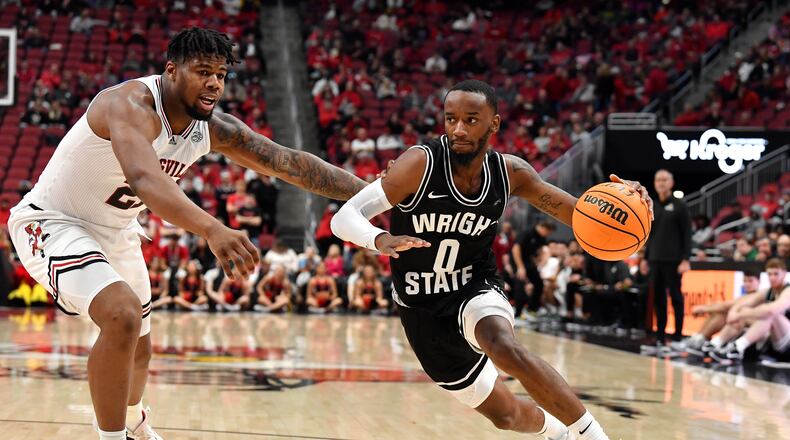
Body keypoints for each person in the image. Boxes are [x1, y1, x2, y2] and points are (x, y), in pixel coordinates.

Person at [6, 28, 366, 440]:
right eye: (203, 72)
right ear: (171, 71)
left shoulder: (212, 127)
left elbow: (288, 162)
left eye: (221, 74)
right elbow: (144, 179)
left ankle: (135, 422)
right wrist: (212, 228)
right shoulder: (129, 105)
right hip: (53, 222)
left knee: (139, 348)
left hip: (117, 230)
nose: (214, 82)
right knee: (121, 315)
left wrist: (375, 194)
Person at [332, 80, 652, 440]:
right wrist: (380, 239)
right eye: (450, 119)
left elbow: (582, 215)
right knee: (508, 415)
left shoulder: (510, 173)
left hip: (474, 284)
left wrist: (625, 205)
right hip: (421, 308)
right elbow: (344, 217)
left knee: (502, 345)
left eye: (471, 120)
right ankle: (557, 434)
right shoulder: (420, 164)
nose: (458, 129)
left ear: (494, 124)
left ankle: (592, 436)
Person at [708, 258, 790, 364]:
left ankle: (737, 348)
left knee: (769, 314)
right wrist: (734, 312)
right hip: (774, 340)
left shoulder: (788, 290)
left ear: (784, 274)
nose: (772, 277)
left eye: (776, 274)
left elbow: (771, 310)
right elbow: (742, 304)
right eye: (770, 274)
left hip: (787, 341)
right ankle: (715, 344)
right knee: (745, 313)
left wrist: (740, 314)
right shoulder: (768, 291)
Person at [645, 169, 691, 346]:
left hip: (674, 261)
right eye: (658, 180)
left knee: (676, 297)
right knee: (658, 299)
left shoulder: (680, 206)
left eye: (664, 180)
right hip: (655, 259)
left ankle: (678, 336)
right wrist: (645, 258)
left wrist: (686, 259)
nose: (661, 183)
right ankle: (660, 336)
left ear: (671, 183)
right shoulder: (653, 206)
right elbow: (650, 235)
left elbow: (687, 233)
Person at [670, 271, 761, 355]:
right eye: (745, 281)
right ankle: (699, 338)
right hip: (743, 323)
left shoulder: (758, 296)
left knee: (725, 313)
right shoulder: (746, 296)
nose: (747, 284)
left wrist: (703, 308)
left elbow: (727, 305)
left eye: (750, 281)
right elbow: (726, 305)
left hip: (754, 325)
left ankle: (702, 340)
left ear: (758, 282)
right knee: (720, 313)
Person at [511, 221, 556, 318]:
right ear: (543, 227)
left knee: (539, 283)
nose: (548, 235)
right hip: (517, 260)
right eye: (548, 232)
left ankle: (531, 309)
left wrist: (539, 261)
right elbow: (515, 249)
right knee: (520, 285)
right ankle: (517, 313)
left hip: (528, 261)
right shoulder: (527, 233)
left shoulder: (541, 237)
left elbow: (544, 250)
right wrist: (520, 267)